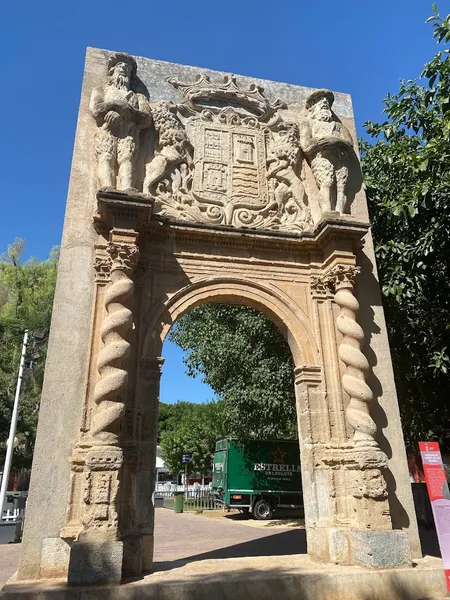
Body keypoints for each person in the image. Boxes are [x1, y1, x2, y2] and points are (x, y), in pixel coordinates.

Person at [90, 52, 151, 190]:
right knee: (106, 157)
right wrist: (117, 104)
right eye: (120, 65)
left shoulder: (138, 97)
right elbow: (96, 110)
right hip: (107, 130)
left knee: (127, 159)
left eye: (127, 68)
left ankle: (127, 189)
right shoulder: (101, 90)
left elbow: (146, 118)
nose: (123, 68)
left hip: (129, 133)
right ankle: (107, 187)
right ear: (112, 70)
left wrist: (125, 113)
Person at [300, 89, 354, 214]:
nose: (324, 102)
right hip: (322, 158)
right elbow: (306, 145)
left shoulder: (338, 125)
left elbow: (349, 143)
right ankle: (327, 212)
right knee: (326, 184)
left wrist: (336, 141)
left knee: (341, 188)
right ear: (313, 106)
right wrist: (324, 141)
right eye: (320, 100)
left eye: (327, 101)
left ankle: (340, 213)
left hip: (340, 158)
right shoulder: (308, 123)